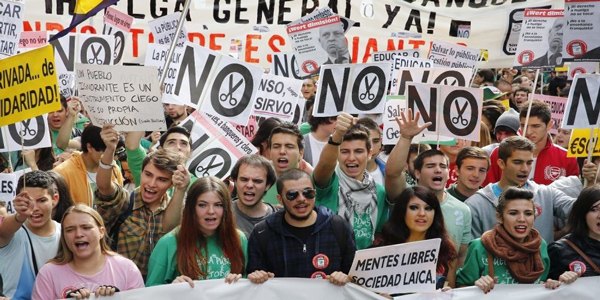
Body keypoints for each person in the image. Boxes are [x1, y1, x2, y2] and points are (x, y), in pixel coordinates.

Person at [95, 124, 190, 278]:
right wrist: (109, 150)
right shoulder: (125, 201)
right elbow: (104, 186)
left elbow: (169, 228)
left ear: (171, 183)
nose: (151, 184)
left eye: (161, 179)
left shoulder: (177, 210)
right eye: (148, 174)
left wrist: (181, 190)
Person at [385, 109, 471, 264]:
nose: (438, 170)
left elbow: (460, 257)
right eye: (430, 165)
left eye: (442, 166)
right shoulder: (404, 197)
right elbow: (392, 173)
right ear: (417, 173)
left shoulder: (463, 210)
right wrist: (406, 137)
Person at [456, 187, 578, 293]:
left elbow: (542, 284)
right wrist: (477, 286)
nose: (521, 219)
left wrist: (552, 284)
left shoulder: (540, 245)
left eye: (528, 213)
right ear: (500, 217)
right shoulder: (480, 246)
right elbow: (461, 288)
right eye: (513, 213)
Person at [247, 169, 356, 285]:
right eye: (292, 195)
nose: (301, 199)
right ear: (280, 199)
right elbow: (254, 281)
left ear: (315, 193)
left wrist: (346, 278)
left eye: (308, 193)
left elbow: (355, 276)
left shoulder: (338, 227)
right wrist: (258, 277)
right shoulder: (262, 232)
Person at [466, 136, 580, 243]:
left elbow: (581, 209)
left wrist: (591, 183)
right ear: (501, 163)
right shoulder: (477, 204)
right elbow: (470, 252)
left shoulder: (546, 194)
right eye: (517, 162)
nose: (525, 169)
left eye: (529, 163)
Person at [146, 177, 247, 286]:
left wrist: (241, 281)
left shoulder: (238, 239)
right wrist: (172, 290)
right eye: (202, 205)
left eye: (218, 205)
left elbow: (248, 289)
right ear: (191, 208)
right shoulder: (168, 243)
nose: (211, 211)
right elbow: (150, 293)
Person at [31, 205, 144, 299]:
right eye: (70, 230)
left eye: (86, 227)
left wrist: (118, 297)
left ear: (101, 232)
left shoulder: (127, 269)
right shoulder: (48, 273)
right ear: (63, 236)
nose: (78, 234)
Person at [313, 113, 389, 250]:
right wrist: (337, 136)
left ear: (370, 153)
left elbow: (378, 235)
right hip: (330, 263)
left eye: (359, 151)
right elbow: (324, 165)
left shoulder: (380, 192)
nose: (351, 158)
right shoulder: (329, 183)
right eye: (345, 151)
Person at [372, 186, 458, 290]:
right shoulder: (379, 251)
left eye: (428, 208)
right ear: (402, 212)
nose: (422, 214)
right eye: (414, 207)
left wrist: (447, 293)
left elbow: (450, 288)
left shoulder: (445, 250)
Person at [485, 100, 579, 185]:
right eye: (523, 125)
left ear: (549, 125)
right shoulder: (499, 153)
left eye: (536, 126)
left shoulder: (568, 158)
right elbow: (488, 192)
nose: (528, 132)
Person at [0, 171, 61, 300]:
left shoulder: (66, 233)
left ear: (54, 199)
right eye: (27, 201)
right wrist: (21, 215)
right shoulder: (12, 231)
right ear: (17, 201)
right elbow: (3, 231)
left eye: (42, 200)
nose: (34, 208)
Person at [53, 125, 124, 206]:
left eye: (114, 151)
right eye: (105, 151)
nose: (111, 156)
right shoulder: (62, 173)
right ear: (89, 147)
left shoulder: (114, 169)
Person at [548, 186, 600, 278]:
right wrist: (558, 281)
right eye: (594, 209)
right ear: (582, 213)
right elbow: (543, 288)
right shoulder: (560, 250)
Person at [263, 122, 310, 206]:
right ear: (270, 152)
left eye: (289, 147)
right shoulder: (258, 183)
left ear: (301, 153)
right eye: (276, 146)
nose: (282, 151)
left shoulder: (313, 181)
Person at [230, 155, 277, 238]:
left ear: (268, 185)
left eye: (257, 181)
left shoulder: (280, 220)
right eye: (244, 179)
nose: (249, 185)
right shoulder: (221, 214)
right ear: (235, 181)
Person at [356, 118, 386, 186]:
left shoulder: (389, 171)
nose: (371, 147)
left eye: (375, 141)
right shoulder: (340, 173)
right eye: (366, 141)